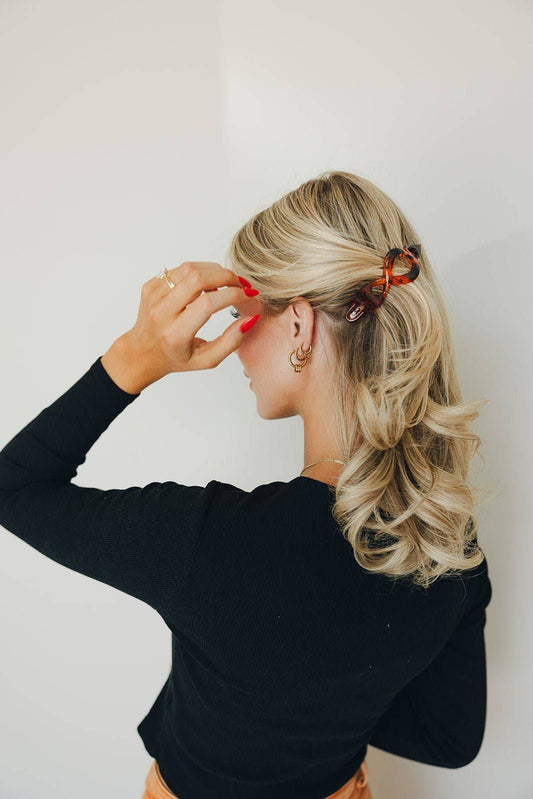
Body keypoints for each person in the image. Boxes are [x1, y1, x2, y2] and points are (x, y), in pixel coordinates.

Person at [0, 170, 492, 799]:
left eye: (241, 315)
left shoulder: (207, 543)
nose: (233, 345)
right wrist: (335, 699)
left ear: (299, 326)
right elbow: (449, 740)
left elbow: (14, 487)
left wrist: (135, 356)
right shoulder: (448, 542)